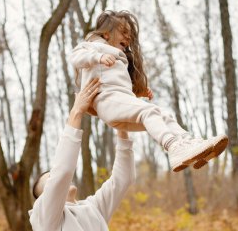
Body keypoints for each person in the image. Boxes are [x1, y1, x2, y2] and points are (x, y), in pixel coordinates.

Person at [29, 78, 135, 231]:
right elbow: (62, 172)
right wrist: (77, 111)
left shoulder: (92, 209)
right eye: (49, 179)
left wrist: (122, 124)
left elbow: (123, 178)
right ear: (43, 198)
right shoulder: (45, 220)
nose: (55, 179)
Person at [69, 10, 228, 172]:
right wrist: (97, 57)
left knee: (163, 114)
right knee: (149, 111)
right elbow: (75, 56)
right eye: (123, 32)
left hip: (117, 105)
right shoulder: (93, 46)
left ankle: (190, 144)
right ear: (106, 34)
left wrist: (138, 92)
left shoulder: (119, 57)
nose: (128, 37)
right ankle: (172, 146)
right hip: (106, 102)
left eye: (129, 34)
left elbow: (117, 87)